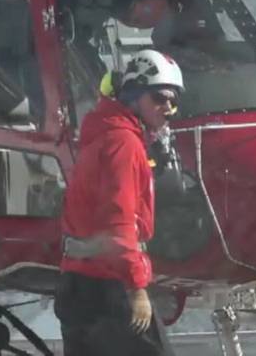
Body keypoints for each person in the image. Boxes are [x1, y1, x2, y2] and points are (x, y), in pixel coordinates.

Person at [55, 49, 184, 356]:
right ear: (134, 96)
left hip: (78, 282)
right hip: (110, 287)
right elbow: (119, 223)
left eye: (173, 101)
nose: (167, 107)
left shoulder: (102, 134)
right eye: (159, 97)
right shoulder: (124, 144)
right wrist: (136, 288)